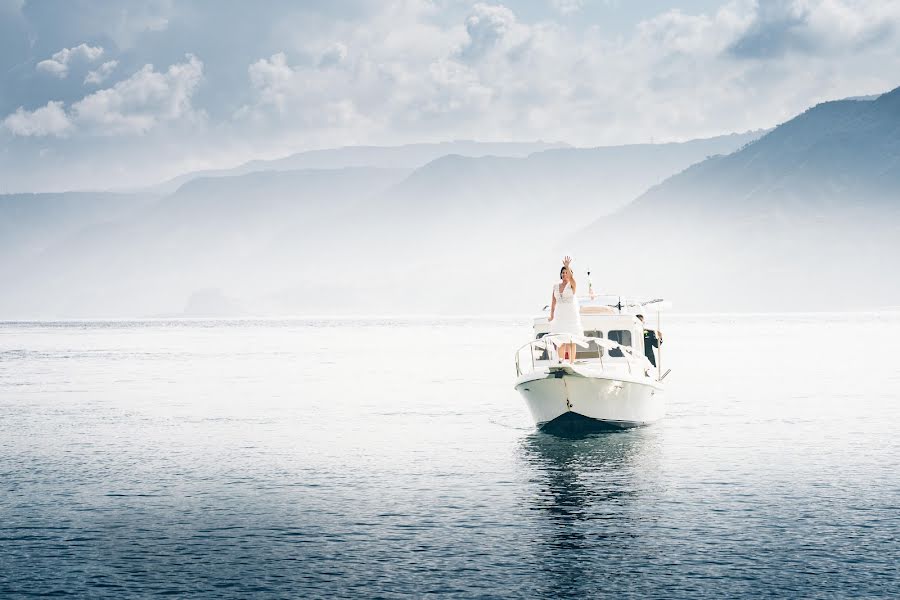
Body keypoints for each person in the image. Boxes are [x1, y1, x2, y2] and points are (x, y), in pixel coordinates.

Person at [548, 256, 583, 362]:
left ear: (569, 273)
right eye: (562, 272)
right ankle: (561, 361)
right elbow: (553, 302)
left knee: (571, 340)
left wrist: (567, 266)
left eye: (566, 272)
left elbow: (572, 278)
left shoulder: (572, 285)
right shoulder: (555, 286)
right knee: (560, 339)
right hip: (560, 315)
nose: (564, 274)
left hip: (571, 315)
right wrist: (552, 316)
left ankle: (572, 362)